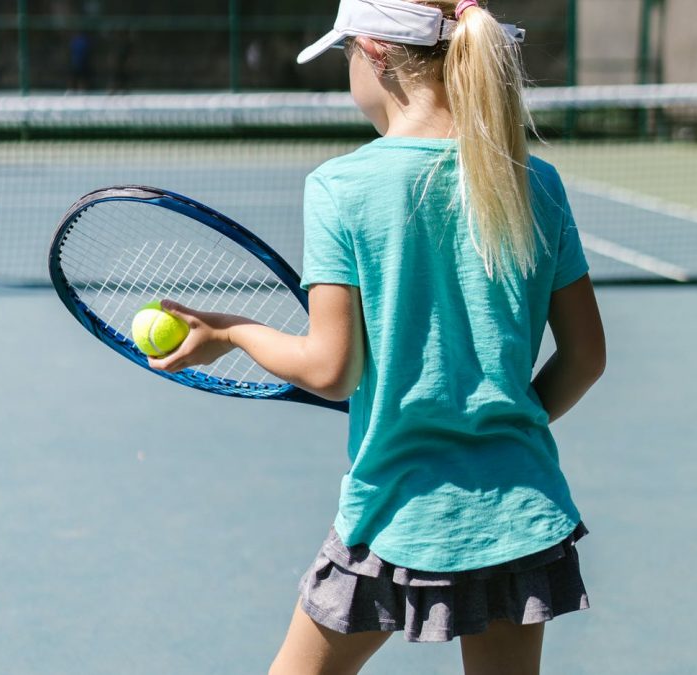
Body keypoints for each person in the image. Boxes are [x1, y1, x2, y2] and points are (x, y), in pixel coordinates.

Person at [151, 1, 606, 672]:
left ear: (375, 53)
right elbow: (587, 357)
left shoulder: (341, 187)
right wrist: (506, 424)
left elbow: (332, 368)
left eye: (343, 57)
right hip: (519, 510)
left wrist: (234, 330)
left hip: (397, 512)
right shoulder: (537, 181)